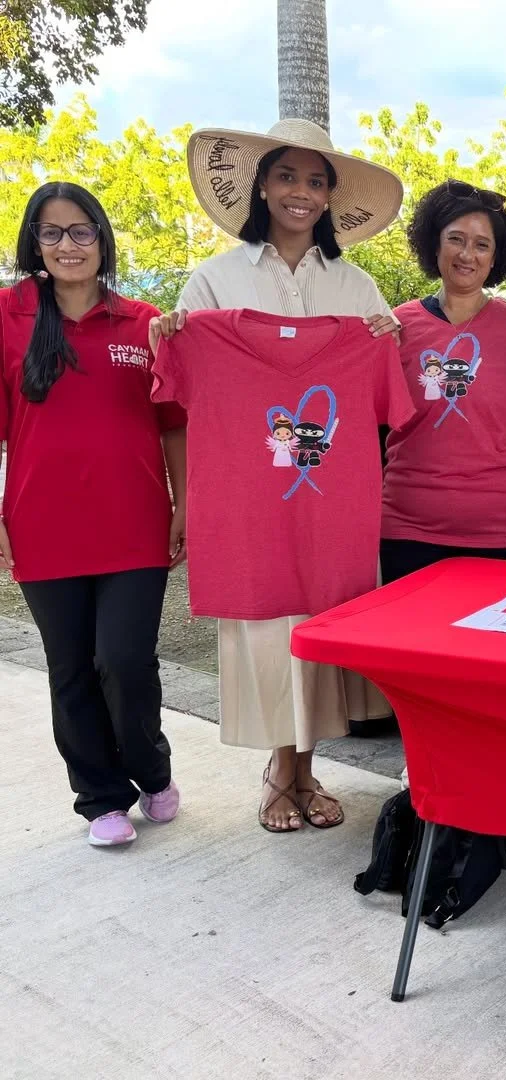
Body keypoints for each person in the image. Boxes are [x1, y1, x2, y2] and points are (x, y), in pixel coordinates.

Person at [149, 119, 404, 832]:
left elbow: (387, 394)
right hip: (250, 506)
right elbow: (178, 389)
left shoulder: (357, 288)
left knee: (320, 630)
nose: (301, 192)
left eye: (315, 180)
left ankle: (304, 770)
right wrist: (171, 336)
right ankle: (279, 772)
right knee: (266, 634)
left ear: (329, 197)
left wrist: (386, 340)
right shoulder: (214, 281)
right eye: (288, 176)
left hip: (330, 509)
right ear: (263, 185)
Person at [0, 182, 186, 847]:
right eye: (51, 233)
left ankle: (151, 770)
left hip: (133, 523)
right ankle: (100, 797)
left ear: (102, 239)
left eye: (81, 231)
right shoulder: (6, 314)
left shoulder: (143, 323)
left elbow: (172, 426)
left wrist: (182, 503)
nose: (67, 245)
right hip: (41, 526)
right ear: (33, 242)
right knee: (71, 667)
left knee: (126, 659)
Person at [380, 180, 506, 584]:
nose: (467, 254)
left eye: (482, 244)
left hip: (502, 534)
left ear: (496, 257)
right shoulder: (396, 327)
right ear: (434, 244)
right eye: (456, 239)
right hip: (407, 531)